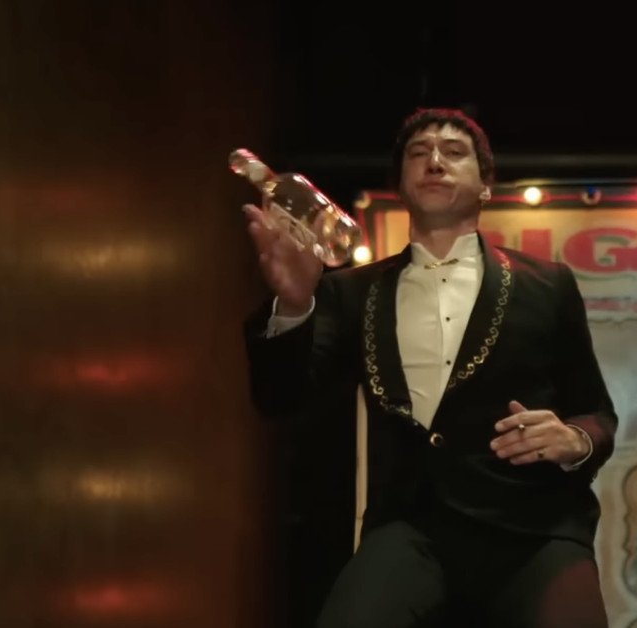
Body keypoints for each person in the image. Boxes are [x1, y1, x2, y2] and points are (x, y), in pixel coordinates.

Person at [241, 107, 617, 628]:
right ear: (401, 185)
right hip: (409, 527)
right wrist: (294, 304)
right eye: (419, 153)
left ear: (486, 186)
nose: (434, 161)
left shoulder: (547, 284)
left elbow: (597, 413)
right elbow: (279, 397)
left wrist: (574, 439)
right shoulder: (352, 292)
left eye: (453, 152)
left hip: (534, 528)